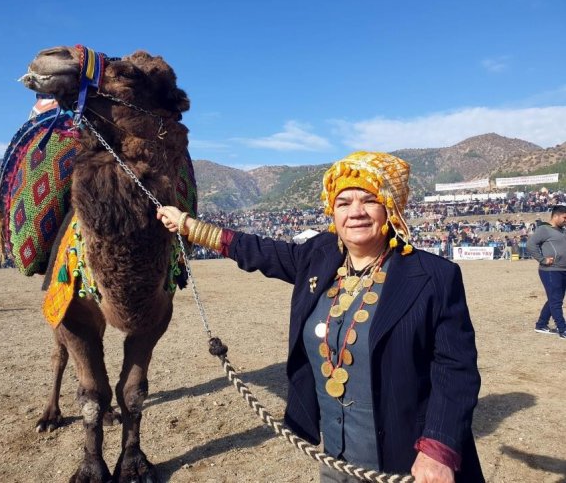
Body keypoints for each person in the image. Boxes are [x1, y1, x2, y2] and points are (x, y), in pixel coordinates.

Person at [157, 151, 483, 482]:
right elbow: (258, 250)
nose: (355, 212)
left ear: (389, 208)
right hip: (336, 458)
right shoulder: (318, 256)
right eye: (343, 203)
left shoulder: (434, 276)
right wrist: (189, 226)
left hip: (407, 460)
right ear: (332, 211)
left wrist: (437, 449)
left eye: (369, 200)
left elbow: (455, 370)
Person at [526, 205, 566, 338]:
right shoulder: (544, 229)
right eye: (564, 217)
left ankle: (541, 324)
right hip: (550, 270)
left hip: (563, 269)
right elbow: (530, 245)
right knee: (556, 301)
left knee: (555, 298)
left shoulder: (562, 230)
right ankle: (563, 329)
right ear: (556, 216)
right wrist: (542, 260)